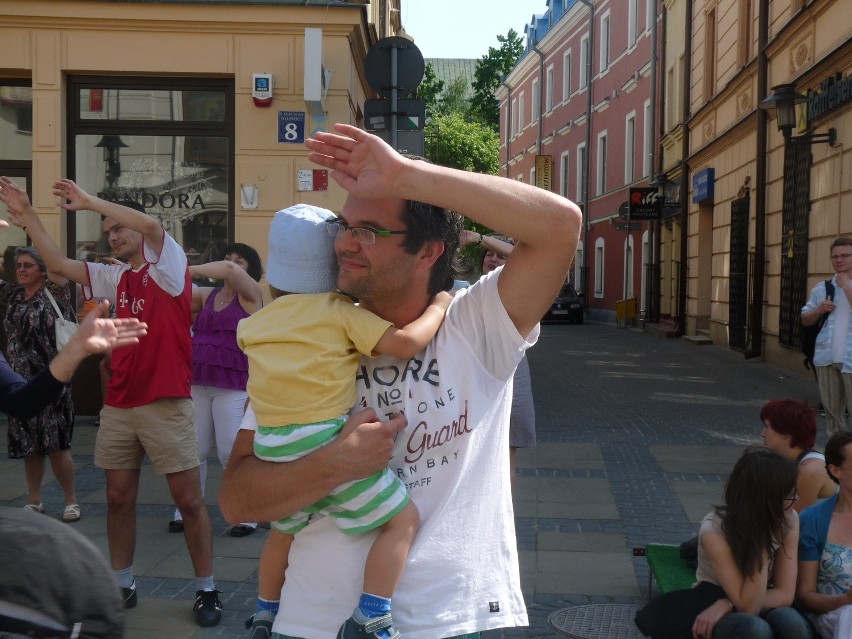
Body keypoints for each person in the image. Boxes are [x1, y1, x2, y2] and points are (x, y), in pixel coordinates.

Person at [220, 123, 582, 638]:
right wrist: (332, 464)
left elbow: (560, 227)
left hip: (444, 621)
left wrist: (404, 175)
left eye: (369, 230)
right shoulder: (307, 336)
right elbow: (237, 500)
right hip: (310, 622)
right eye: (344, 226)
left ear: (430, 250)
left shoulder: (475, 322)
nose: (345, 243)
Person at [0, 175, 223, 628]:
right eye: (107, 230)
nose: (113, 234)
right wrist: (27, 217)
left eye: (117, 227)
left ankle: (207, 588)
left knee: (190, 502)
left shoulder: (168, 265)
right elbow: (59, 264)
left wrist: (88, 201)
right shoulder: (114, 275)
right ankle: (123, 582)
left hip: (167, 401)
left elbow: (153, 225)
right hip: (120, 403)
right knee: (119, 497)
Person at [238, 203, 451, 638]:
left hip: (272, 448)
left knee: (284, 532)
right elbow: (407, 342)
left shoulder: (254, 325)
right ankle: (372, 612)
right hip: (322, 439)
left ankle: (264, 611)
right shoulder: (337, 313)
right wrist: (441, 305)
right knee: (401, 520)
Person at [169, 246, 264, 538]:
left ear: (250, 269)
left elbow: (230, 273)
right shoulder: (207, 296)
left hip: (232, 385)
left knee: (229, 450)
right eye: (228, 258)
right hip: (199, 381)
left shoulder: (252, 297)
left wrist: (188, 268)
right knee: (194, 449)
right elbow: (173, 294)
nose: (232, 264)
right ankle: (186, 508)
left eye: (239, 261)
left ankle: (248, 512)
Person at [690, 446, 813, 639]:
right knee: (755, 630)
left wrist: (727, 603)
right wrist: (761, 542)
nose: (796, 501)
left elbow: (785, 594)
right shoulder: (714, 531)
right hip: (712, 602)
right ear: (765, 501)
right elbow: (749, 608)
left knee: (791, 621)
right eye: (789, 496)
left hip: (755, 598)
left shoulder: (789, 520)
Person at [0, 246, 80, 522]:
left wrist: (27, 219)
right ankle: (34, 500)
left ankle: (71, 499)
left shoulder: (55, 290)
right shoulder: (12, 295)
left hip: (53, 378)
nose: (21, 270)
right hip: (19, 380)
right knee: (28, 444)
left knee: (57, 443)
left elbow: (58, 265)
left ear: (43, 270)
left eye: (28, 265)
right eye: (18, 265)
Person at [458, 229, 536, 483]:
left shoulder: (522, 288)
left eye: (498, 256)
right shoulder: (471, 291)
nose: (492, 259)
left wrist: (479, 239)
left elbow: (524, 259)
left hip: (510, 374)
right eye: (488, 255)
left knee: (506, 452)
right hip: (474, 373)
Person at [796, 430, 852, 639]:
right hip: (834, 614)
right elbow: (805, 595)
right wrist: (845, 600)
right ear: (835, 471)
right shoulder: (814, 520)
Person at [801, 238, 852, 435]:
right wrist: (818, 311)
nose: (839, 260)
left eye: (845, 256)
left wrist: (846, 286)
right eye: (835, 256)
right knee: (833, 417)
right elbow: (806, 319)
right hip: (826, 358)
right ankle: (836, 460)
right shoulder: (822, 288)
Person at [760, 399, 837, 511]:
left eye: (767, 427)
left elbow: (793, 519)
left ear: (785, 432)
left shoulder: (809, 469)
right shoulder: (790, 461)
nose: (762, 433)